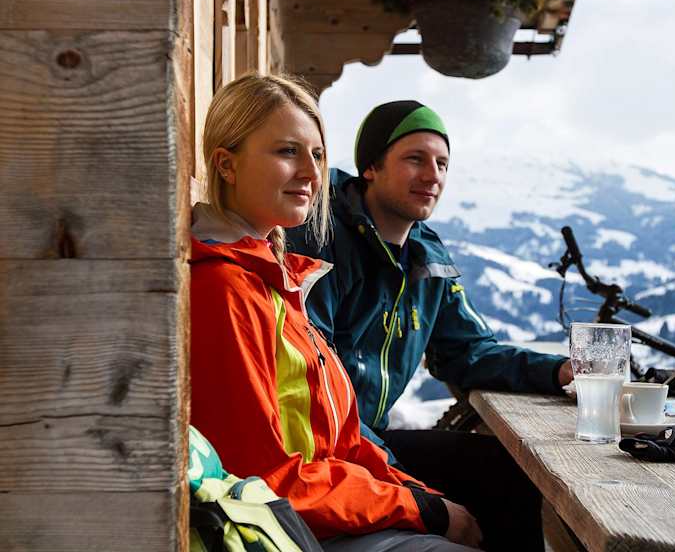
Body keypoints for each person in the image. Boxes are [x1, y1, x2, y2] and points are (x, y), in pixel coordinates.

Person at [190, 76, 481, 551]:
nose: (311, 172)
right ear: (227, 165)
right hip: (295, 530)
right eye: (287, 152)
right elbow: (261, 480)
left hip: (326, 508)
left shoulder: (274, 276)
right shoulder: (225, 289)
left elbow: (340, 441)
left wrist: (420, 498)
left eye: (318, 155)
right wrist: (418, 509)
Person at [288, 100, 574, 551]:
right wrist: (401, 485)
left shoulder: (427, 258)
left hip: (369, 439)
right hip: (324, 449)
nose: (432, 175)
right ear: (372, 168)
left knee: (507, 472)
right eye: (414, 159)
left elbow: (469, 353)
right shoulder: (322, 241)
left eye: (442, 163)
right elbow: (312, 385)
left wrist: (560, 371)